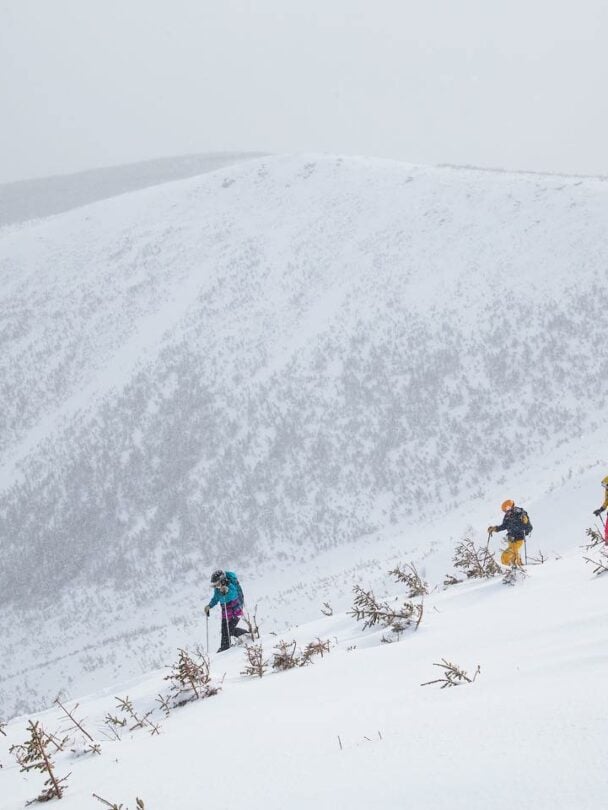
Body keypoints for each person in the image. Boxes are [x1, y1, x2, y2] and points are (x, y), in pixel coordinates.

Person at [204, 569, 248, 652]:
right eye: (215, 585)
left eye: (217, 584)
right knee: (225, 630)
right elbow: (216, 598)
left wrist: (227, 590)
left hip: (236, 611)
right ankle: (226, 646)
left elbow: (234, 594)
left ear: (222, 580)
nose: (216, 586)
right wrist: (209, 606)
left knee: (228, 631)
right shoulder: (217, 589)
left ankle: (226, 648)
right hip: (225, 612)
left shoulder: (230, 585)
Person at [488, 499, 532, 566]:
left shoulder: (521, 514)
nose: (507, 510)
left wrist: (525, 522)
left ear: (512, 506)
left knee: (505, 556)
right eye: (505, 509)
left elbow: (529, 528)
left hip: (518, 539)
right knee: (514, 555)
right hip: (510, 539)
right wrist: (494, 529)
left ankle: (508, 569)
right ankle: (518, 567)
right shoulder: (507, 516)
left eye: (508, 508)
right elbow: (504, 526)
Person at [592, 475, 608, 544]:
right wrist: (601, 509)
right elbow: (607, 500)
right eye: (604, 486)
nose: (605, 487)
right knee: (607, 529)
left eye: (605, 485)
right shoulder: (607, 491)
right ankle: (607, 540)